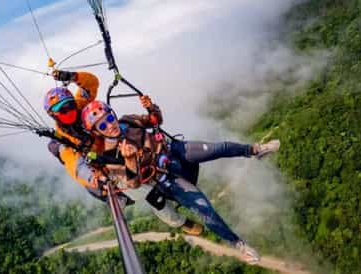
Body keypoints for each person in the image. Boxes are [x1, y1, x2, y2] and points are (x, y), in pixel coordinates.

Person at [80, 97, 280, 264]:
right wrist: (130, 160)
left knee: (219, 148)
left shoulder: (127, 121)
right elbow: (133, 183)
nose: (110, 125)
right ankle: (238, 244)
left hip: (173, 151)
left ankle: (256, 150)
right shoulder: (109, 156)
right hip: (164, 177)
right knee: (204, 210)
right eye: (103, 125)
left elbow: (155, 121)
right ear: (97, 131)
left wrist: (151, 108)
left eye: (109, 118)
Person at [40, 69, 204, 235]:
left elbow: (91, 83)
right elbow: (76, 166)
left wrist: (72, 77)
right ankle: (179, 222)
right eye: (63, 111)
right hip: (109, 167)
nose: (70, 111)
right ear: (55, 115)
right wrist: (96, 179)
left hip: (120, 144)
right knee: (152, 196)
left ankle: (181, 187)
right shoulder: (63, 141)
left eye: (70, 105)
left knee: (161, 161)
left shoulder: (81, 104)